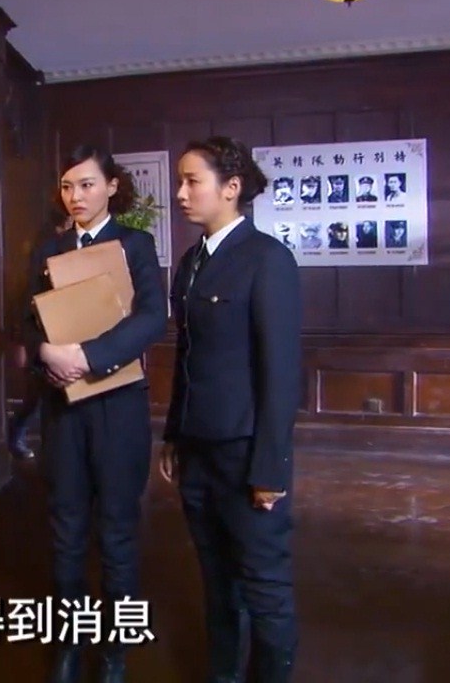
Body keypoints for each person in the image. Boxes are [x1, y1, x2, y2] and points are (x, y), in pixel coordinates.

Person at [21, 144, 166, 683]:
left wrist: (88, 357)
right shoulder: (48, 251)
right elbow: (26, 320)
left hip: (118, 407)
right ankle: (68, 642)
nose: (75, 196)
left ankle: (115, 650)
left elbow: (152, 317)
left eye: (86, 184)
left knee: (118, 530)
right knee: (65, 528)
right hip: (62, 409)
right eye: (67, 186)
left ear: (111, 187)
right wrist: (45, 352)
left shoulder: (135, 244)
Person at [160, 137, 302, 683]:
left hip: (245, 453)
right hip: (198, 451)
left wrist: (271, 468)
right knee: (217, 582)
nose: (180, 193)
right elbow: (188, 356)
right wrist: (174, 434)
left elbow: (280, 373)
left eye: (192, 181)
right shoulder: (193, 262)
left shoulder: (267, 259)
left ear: (232, 187)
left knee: (264, 586)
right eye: (180, 181)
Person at [7, 208, 74, 460]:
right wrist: (24, 343)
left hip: (57, 335)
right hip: (40, 337)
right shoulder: (42, 255)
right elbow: (23, 305)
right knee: (37, 396)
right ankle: (17, 436)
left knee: (41, 397)